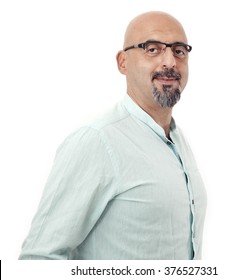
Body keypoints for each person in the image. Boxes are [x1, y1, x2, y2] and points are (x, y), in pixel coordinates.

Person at [19, 11, 207, 260]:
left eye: (179, 51)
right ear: (123, 63)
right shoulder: (97, 140)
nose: (170, 62)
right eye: (152, 49)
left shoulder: (178, 140)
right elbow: (38, 259)